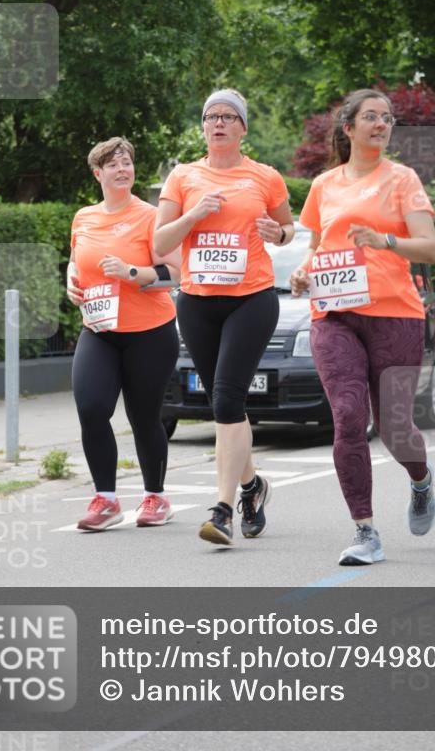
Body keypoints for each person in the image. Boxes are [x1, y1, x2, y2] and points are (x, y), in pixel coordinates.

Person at [290, 89, 435, 565]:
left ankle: (420, 480)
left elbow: (428, 248)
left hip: (395, 313)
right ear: (348, 127)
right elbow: (318, 247)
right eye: (371, 117)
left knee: (395, 428)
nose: (381, 124)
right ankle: (365, 530)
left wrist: (385, 240)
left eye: (387, 118)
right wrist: (303, 271)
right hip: (334, 315)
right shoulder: (323, 185)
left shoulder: (403, 179)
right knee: (350, 416)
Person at [154, 89, 294, 545]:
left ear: (243, 128)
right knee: (223, 405)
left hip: (251, 298)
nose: (218, 123)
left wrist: (280, 232)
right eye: (210, 116)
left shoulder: (265, 176)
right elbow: (159, 244)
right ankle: (254, 487)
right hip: (196, 301)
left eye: (228, 117)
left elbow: (286, 229)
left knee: (229, 400)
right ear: (203, 127)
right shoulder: (183, 176)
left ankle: (222, 508)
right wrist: (195, 213)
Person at [67, 137, 180, 532]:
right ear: (97, 173)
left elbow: (175, 275)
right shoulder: (83, 217)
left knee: (144, 416)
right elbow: (75, 260)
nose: (122, 169)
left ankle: (155, 496)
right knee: (92, 408)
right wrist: (71, 281)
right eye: (112, 164)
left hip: (150, 331)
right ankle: (107, 500)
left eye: (127, 162)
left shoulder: (151, 217)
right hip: (99, 330)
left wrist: (132, 274)